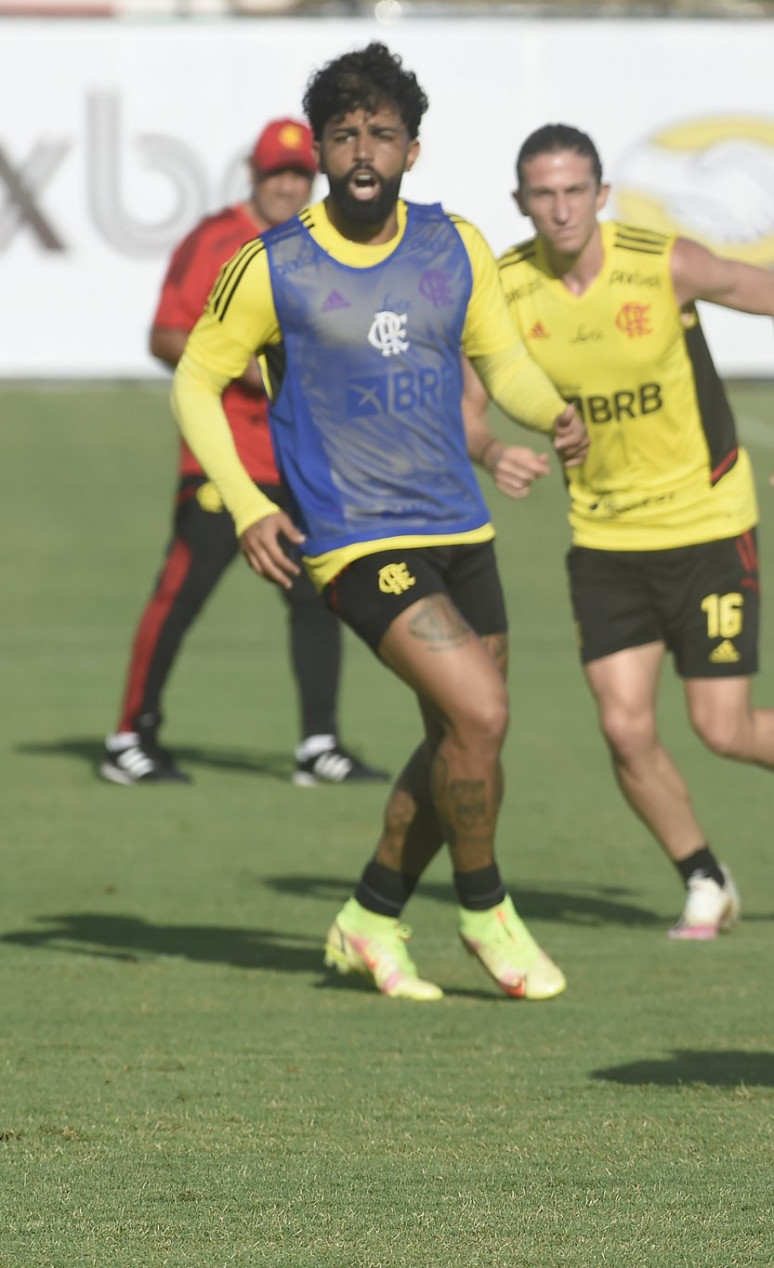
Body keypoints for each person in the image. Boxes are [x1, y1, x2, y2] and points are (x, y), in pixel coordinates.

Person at [170, 43, 590, 1002]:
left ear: (412, 149)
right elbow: (196, 381)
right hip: (356, 537)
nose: (364, 151)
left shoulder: (455, 244)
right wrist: (249, 505)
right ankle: (484, 911)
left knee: (461, 736)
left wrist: (551, 412)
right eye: (345, 134)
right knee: (482, 712)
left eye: (383, 134)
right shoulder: (272, 265)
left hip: (459, 526)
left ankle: (369, 916)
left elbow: (502, 360)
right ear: (321, 149)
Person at [462, 124, 774, 941]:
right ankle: (703, 877)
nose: (561, 209)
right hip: (603, 536)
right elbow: (468, 405)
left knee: (721, 728)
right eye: (543, 195)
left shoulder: (662, 264)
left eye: (574, 191)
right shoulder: (507, 289)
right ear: (520, 202)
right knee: (623, 729)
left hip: (707, 524)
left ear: (601, 195)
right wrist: (491, 453)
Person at [102, 118, 385, 789]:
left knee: (317, 596)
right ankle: (129, 737)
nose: (287, 186)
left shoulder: (322, 245)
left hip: (301, 459)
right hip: (224, 457)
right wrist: (248, 368)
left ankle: (319, 745)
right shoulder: (217, 241)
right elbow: (166, 335)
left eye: (298, 174)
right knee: (183, 591)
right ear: (253, 176)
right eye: (275, 173)